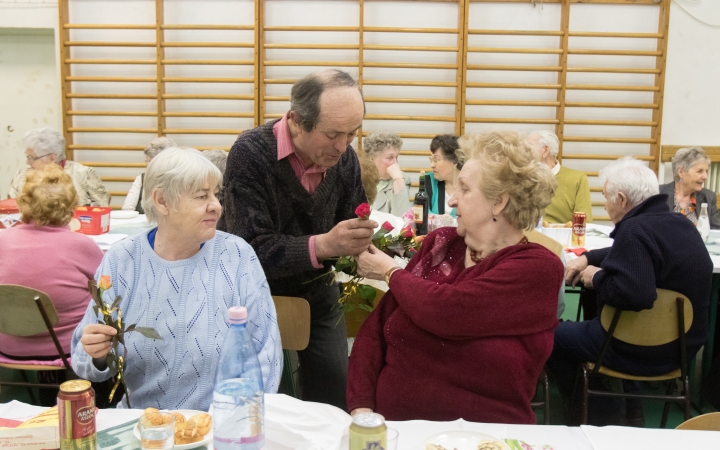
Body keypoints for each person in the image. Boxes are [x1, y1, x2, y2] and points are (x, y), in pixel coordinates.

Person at [347, 131, 563, 424]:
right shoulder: (441, 244)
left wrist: (390, 271)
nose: (451, 200)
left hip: (485, 439)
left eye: (464, 189)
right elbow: (374, 332)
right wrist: (361, 409)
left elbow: (450, 311)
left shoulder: (538, 268)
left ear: (498, 202)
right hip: (394, 432)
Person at [71, 148, 282, 410]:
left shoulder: (237, 256)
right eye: (201, 196)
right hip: (143, 425)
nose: (216, 205)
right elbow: (84, 361)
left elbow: (267, 355)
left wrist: (232, 421)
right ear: (162, 201)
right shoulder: (122, 260)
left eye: (216, 194)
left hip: (222, 424)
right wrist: (98, 355)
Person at [219, 69, 375, 410]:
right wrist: (325, 245)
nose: (343, 146)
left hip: (317, 290)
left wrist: (362, 244)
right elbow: (249, 249)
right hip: (250, 298)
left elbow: (348, 224)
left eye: (352, 133)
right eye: (332, 133)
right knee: (262, 405)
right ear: (295, 121)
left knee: (334, 399)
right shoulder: (251, 154)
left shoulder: (344, 158)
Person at [548, 156, 712, 425]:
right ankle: (632, 408)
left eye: (606, 197)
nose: (606, 203)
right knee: (618, 320)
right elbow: (636, 253)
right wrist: (590, 257)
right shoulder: (680, 224)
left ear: (622, 199)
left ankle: (596, 413)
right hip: (681, 350)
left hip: (633, 351)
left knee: (552, 334)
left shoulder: (633, 230)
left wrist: (596, 277)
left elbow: (636, 294)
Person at [0, 165, 104, 360]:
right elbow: (107, 289)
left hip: (8, 347)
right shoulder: (81, 245)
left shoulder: (2, 240)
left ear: (23, 202)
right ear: (72, 204)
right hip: (66, 348)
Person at [8, 128, 110, 206]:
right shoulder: (21, 175)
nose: (27, 162)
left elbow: (101, 207)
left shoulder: (83, 173)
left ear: (52, 158)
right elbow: (10, 209)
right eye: (27, 157)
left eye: (32, 158)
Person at [526, 130, 592, 224]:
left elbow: (583, 222)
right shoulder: (523, 178)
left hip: (561, 237)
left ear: (545, 150)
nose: (523, 152)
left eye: (529, 147)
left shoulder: (577, 179)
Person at [659, 146, 720, 229]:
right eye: (699, 171)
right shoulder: (659, 194)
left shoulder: (708, 197)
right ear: (681, 172)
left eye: (706, 171)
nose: (705, 176)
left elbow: (716, 231)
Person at [122, 137, 176, 213]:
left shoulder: (178, 180)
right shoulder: (141, 179)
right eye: (148, 162)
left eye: (154, 163)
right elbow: (127, 210)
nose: (149, 166)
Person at [363, 130, 411, 216]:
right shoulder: (360, 178)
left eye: (396, 157)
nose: (395, 163)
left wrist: (398, 181)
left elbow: (403, 220)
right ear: (372, 159)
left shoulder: (401, 179)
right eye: (390, 158)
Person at [426, 134, 462, 217]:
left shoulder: (469, 186)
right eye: (432, 159)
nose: (432, 165)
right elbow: (417, 212)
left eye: (436, 159)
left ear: (454, 162)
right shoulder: (429, 181)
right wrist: (439, 219)